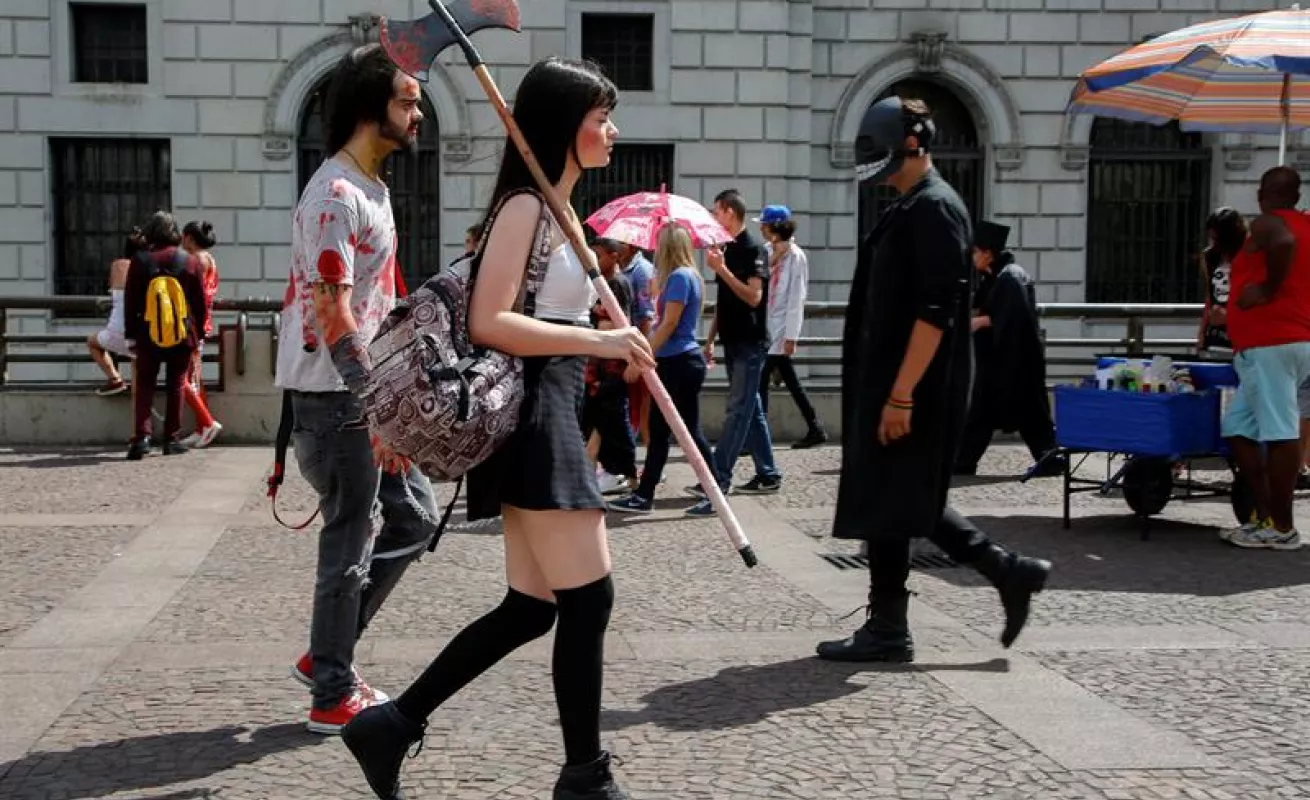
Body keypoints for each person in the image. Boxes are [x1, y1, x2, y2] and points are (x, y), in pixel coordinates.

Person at [341, 57, 652, 800]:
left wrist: (605, 334)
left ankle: (390, 725)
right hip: (537, 415)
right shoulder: (526, 208)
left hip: (556, 409)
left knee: (530, 608)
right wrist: (598, 341)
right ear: (560, 125)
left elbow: (549, 316)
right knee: (589, 600)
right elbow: (490, 321)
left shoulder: (562, 210)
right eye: (600, 115)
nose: (613, 129)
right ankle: (586, 778)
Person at [817, 96, 1051, 663]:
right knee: (892, 500)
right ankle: (895, 624)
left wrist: (901, 395)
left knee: (901, 496)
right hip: (896, 382)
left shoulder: (935, 208)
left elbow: (935, 310)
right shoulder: (913, 204)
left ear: (912, 144)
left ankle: (998, 575)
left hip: (914, 387)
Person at [273, 44, 440, 735]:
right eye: (408, 102)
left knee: (415, 518)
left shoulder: (372, 189)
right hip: (338, 400)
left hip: (362, 394)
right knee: (349, 542)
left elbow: (375, 302)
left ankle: (327, 655)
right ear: (373, 109)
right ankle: (331, 694)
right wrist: (377, 404)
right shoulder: (335, 196)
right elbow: (334, 310)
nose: (418, 114)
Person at [1218, 166, 1310, 551]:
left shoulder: (1270, 224)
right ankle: (1265, 514)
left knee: (1280, 432)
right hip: (1287, 340)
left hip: (1271, 342)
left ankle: (1283, 527)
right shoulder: (1307, 225)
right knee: (1237, 428)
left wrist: (1267, 290)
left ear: (1262, 194)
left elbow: (1284, 241)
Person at [608, 223, 717, 514]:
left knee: (683, 432)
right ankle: (646, 495)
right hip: (678, 361)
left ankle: (713, 490)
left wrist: (642, 357)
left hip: (678, 362)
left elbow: (669, 324)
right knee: (666, 432)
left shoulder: (681, 277)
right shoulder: (683, 277)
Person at [689, 188, 783, 513]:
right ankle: (768, 472)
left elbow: (754, 297)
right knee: (750, 409)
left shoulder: (754, 249)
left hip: (750, 342)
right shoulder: (724, 248)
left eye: (716, 211)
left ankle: (718, 482)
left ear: (729, 212)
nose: (714, 217)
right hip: (732, 340)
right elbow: (725, 302)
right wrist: (712, 337)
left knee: (738, 410)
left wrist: (723, 271)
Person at [954, 221, 1065, 478]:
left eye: (973, 252)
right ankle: (963, 461)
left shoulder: (1010, 278)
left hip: (1013, 361)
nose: (971, 258)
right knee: (987, 415)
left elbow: (1012, 316)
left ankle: (1049, 458)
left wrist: (978, 322)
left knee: (1027, 415)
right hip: (1002, 361)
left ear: (987, 253)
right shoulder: (998, 276)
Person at [122, 211, 208, 461]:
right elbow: (200, 303)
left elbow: (131, 300)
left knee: (145, 384)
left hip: (147, 333)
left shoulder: (140, 260)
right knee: (176, 384)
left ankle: (142, 438)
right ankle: (172, 438)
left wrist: (130, 335)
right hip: (181, 333)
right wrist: (199, 333)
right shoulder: (189, 261)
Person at [756, 204, 827, 449]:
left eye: (765, 225)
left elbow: (797, 297)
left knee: (760, 382)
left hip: (780, 328)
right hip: (765, 326)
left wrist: (791, 335)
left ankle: (757, 437)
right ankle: (815, 427)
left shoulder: (797, 257)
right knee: (791, 382)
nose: (762, 230)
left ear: (775, 228)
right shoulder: (765, 251)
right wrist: (773, 260)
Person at [584, 236, 638, 494]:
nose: (595, 259)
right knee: (600, 418)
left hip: (613, 366)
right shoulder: (601, 283)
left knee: (615, 420)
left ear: (614, 256)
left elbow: (620, 322)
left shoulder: (618, 283)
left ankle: (628, 472)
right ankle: (604, 467)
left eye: (600, 254)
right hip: (598, 364)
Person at [178, 220, 223, 448]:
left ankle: (206, 422)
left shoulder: (196, 260)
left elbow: (190, 292)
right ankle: (201, 426)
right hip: (201, 321)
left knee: (182, 377)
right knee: (195, 376)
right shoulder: (209, 259)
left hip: (191, 323)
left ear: (189, 238)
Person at [88, 228, 145, 397]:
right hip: (142, 333)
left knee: (92, 342)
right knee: (139, 376)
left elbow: (112, 287)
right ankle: (140, 417)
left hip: (116, 332)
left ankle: (114, 378)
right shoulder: (148, 267)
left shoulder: (118, 265)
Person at [1197, 207, 1247, 356]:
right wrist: (1201, 334)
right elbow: (1209, 297)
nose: (1215, 243)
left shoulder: (1249, 258)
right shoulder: (1209, 257)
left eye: (1218, 239)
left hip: (1242, 335)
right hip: (1215, 335)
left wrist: (1230, 316)